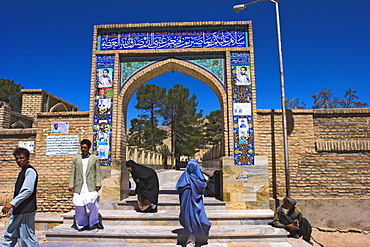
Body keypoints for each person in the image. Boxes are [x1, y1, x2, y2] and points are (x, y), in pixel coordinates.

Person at [1, 147, 39, 247]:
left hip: (25, 210)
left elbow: (27, 190)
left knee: (27, 238)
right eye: (17, 158)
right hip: (19, 210)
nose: (19, 161)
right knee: (11, 234)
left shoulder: (30, 171)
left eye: (21, 158)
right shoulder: (22, 172)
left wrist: (12, 203)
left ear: (27, 158)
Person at [68, 139, 103, 231]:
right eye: (82, 147)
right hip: (79, 185)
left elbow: (97, 172)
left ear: (89, 148)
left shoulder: (94, 158)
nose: (83, 149)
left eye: (85, 148)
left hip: (90, 185)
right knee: (79, 205)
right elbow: (72, 173)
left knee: (93, 203)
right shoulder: (76, 159)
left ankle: (94, 222)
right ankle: (81, 224)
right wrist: (71, 185)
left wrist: (98, 183)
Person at [176, 159, 211, 247]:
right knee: (197, 218)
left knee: (191, 218)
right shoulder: (198, 177)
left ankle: (192, 239)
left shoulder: (184, 177)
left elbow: (180, 187)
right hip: (194, 204)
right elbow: (202, 185)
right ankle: (193, 238)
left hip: (188, 205)